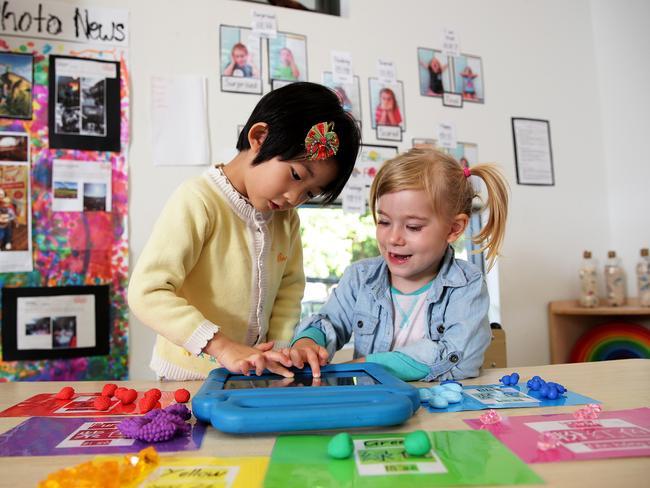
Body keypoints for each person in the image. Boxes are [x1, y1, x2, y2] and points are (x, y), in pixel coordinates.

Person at [128, 82, 361, 380]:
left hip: (254, 374)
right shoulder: (198, 200)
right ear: (260, 138)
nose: (294, 198)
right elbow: (147, 292)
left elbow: (289, 289)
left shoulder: (286, 220)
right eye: (295, 175)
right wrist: (221, 346)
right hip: (188, 377)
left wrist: (277, 348)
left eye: (309, 194)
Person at [289, 147, 509, 381]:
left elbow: (462, 359)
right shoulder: (360, 277)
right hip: (376, 408)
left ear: (454, 229)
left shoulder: (467, 284)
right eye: (384, 222)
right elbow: (329, 322)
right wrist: (308, 341)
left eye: (413, 227)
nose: (393, 238)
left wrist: (372, 364)